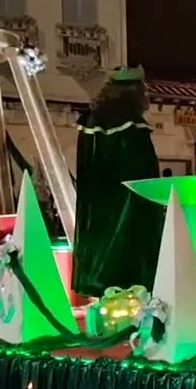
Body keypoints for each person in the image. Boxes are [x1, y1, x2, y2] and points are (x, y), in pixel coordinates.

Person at [72, 66, 164, 297]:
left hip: (96, 203)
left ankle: (99, 285)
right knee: (125, 250)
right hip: (127, 204)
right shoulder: (131, 124)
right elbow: (142, 173)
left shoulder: (92, 119)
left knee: (102, 245)